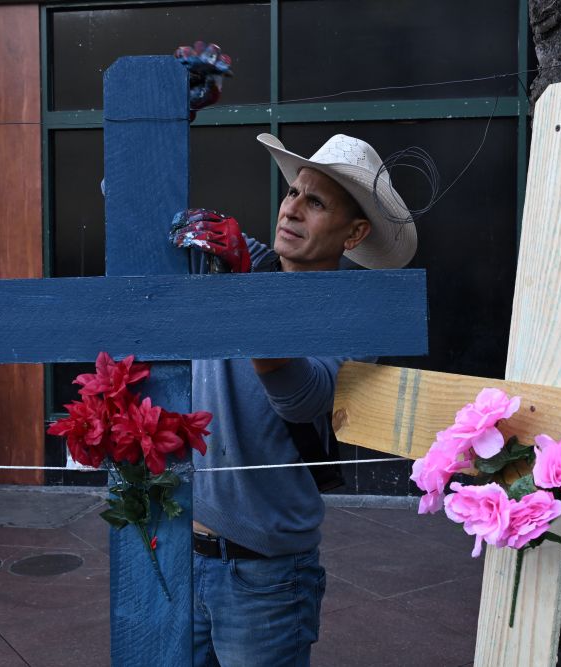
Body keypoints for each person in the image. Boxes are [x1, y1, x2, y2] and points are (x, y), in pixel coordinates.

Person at [185, 133, 416, 666]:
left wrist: (246, 291)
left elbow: (301, 397)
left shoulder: (355, 315)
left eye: (316, 202)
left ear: (355, 232)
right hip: (179, 553)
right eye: (293, 192)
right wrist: (175, 112)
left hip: (265, 574)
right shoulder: (240, 267)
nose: (292, 208)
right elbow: (135, 211)